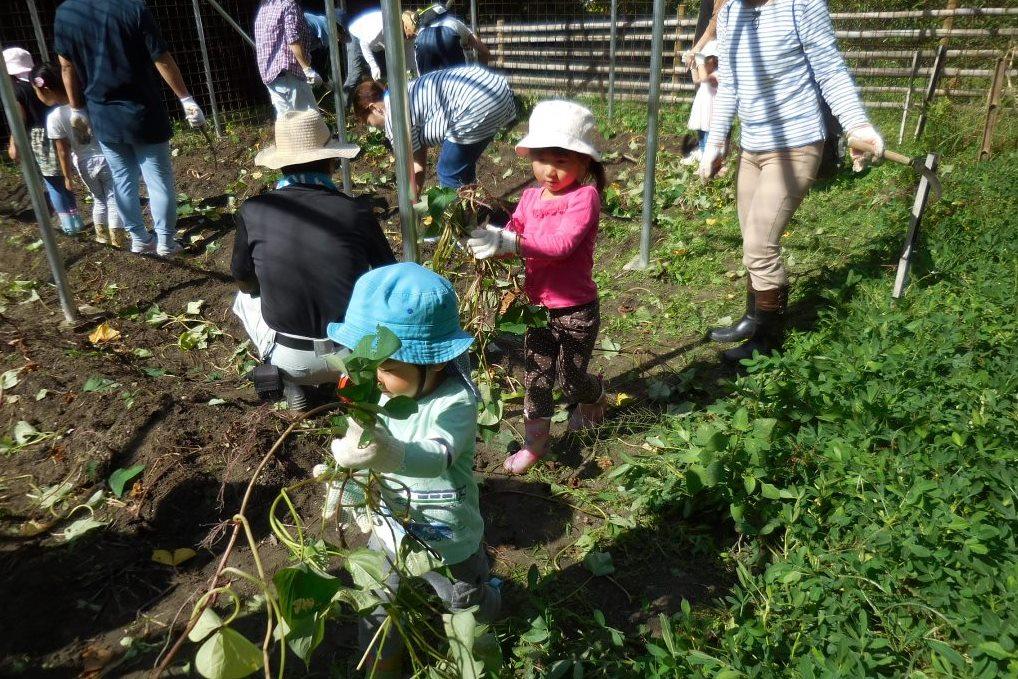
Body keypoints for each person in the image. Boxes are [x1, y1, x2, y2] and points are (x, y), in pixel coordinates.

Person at [320, 262, 500, 675]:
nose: (375, 378)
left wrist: (390, 454)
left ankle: (491, 607)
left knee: (462, 598)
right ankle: (385, 664)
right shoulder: (372, 394)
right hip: (390, 526)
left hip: (448, 533)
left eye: (389, 368)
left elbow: (438, 454)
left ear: (435, 363)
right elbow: (363, 452)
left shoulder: (455, 402)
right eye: (367, 364)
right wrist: (344, 487)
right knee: (377, 600)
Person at [699, 0, 884, 362]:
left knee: (759, 245)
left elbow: (829, 70)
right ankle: (753, 319)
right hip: (752, 147)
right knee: (751, 234)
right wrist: (717, 140)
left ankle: (768, 343)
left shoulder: (801, 5)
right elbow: (732, 81)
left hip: (796, 143)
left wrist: (856, 124)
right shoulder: (733, 12)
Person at [466, 100, 608, 474]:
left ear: (584, 163)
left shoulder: (584, 198)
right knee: (537, 377)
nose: (550, 170)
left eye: (562, 160)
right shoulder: (529, 198)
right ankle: (535, 446)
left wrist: (511, 243)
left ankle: (594, 395)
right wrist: (490, 242)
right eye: (542, 158)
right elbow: (514, 240)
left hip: (575, 308)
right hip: (536, 308)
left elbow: (560, 246)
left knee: (571, 379)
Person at [230, 109, 395, 410]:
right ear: (332, 161)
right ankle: (355, 387)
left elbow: (242, 279)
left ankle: (292, 381)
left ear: (279, 166)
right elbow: (389, 274)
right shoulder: (355, 210)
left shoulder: (252, 210)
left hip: (290, 354)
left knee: (243, 298)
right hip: (354, 354)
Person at [54, 0, 206, 257]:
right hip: (143, 111)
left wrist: (77, 108)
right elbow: (160, 56)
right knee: (158, 179)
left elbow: (66, 65)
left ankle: (139, 239)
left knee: (122, 179)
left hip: (102, 113)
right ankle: (167, 243)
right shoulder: (133, 7)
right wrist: (185, 98)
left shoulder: (66, 13)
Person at [353, 65, 516, 194]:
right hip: (496, 89)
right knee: (461, 165)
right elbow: (418, 164)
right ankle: (467, 217)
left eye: (368, 122)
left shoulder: (393, 118)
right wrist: (414, 199)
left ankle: (455, 227)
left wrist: (409, 208)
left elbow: (410, 172)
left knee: (449, 172)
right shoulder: (403, 92)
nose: (373, 127)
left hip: (476, 102)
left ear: (374, 108)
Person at [31, 64, 126, 248]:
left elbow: (63, 150)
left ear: (46, 89)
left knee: (98, 200)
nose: (38, 96)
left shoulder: (54, 117)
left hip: (83, 163)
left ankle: (102, 237)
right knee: (113, 199)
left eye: (37, 92)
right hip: (106, 158)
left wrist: (67, 176)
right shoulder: (88, 104)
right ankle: (118, 242)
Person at [4, 47, 83, 236]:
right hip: (60, 131)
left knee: (52, 183)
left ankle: (69, 226)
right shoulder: (42, 81)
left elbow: (18, 120)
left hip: (41, 138)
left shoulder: (16, 91)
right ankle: (76, 219)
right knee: (64, 178)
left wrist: (14, 143)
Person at [255, 0, 322, 117]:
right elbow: (292, 38)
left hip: (271, 77)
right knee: (310, 123)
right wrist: (307, 70)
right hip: (290, 75)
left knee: (288, 125)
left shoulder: (264, 7)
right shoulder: (288, 4)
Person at [343, 6, 418, 98]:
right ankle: (344, 107)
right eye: (407, 35)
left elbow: (410, 61)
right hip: (359, 37)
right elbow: (364, 44)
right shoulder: (383, 26)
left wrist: (416, 79)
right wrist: (373, 66)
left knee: (388, 74)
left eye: (411, 37)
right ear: (403, 27)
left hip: (378, 45)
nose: (408, 39)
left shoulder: (409, 37)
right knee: (355, 76)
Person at [405, 4, 491, 75]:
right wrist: (480, 73)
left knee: (426, 84)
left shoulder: (421, 31)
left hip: (422, 42)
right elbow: (485, 51)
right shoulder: (454, 22)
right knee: (459, 81)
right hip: (449, 34)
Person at [682, 40, 719, 165]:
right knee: (701, 132)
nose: (702, 62)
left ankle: (709, 160)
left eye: (705, 58)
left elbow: (703, 78)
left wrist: (698, 58)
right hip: (702, 106)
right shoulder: (707, 72)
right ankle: (703, 155)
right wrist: (692, 65)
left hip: (712, 108)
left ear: (714, 59)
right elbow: (697, 79)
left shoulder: (717, 74)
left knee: (709, 133)